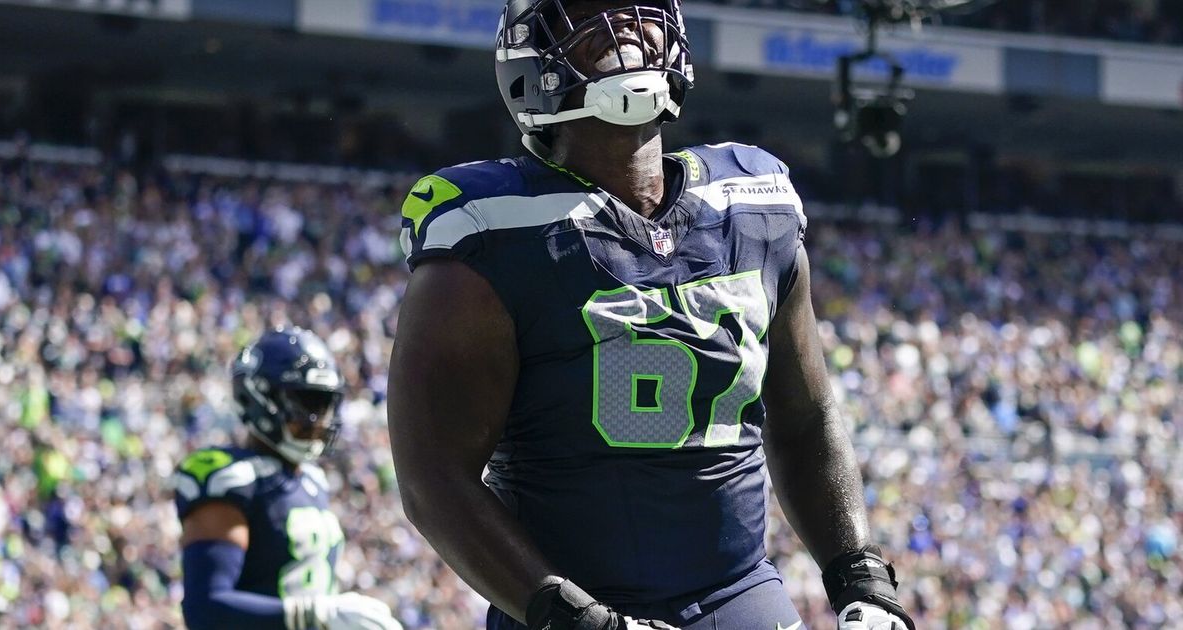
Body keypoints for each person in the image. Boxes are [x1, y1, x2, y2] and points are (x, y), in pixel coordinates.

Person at [388, 1, 916, 629]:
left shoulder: (753, 204)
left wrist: (861, 576)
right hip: (569, 609)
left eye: (642, 7)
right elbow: (434, 479)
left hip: (737, 592)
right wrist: (580, 619)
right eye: (593, 8)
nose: (627, 22)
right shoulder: (488, 233)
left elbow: (805, 418)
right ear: (531, 55)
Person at [174, 327, 401, 630]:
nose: (318, 419)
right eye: (305, 402)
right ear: (257, 399)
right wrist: (317, 616)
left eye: (324, 404)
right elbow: (205, 609)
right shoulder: (230, 477)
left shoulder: (312, 480)